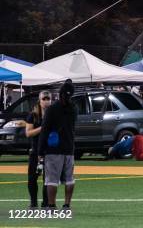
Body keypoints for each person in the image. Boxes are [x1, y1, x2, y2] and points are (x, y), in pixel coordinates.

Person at [38, 80, 77, 210]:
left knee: (51, 180)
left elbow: (44, 131)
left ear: (59, 94)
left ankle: (51, 205)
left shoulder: (52, 109)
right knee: (69, 179)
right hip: (69, 147)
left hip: (53, 149)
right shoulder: (73, 109)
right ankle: (67, 204)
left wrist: (40, 151)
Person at [25, 91, 52, 208]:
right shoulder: (33, 115)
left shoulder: (54, 114)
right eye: (44, 99)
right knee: (32, 178)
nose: (46, 101)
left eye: (48, 98)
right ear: (39, 101)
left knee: (48, 179)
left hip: (50, 151)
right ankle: (33, 202)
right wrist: (42, 128)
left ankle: (46, 202)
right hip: (36, 151)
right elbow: (28, 133)